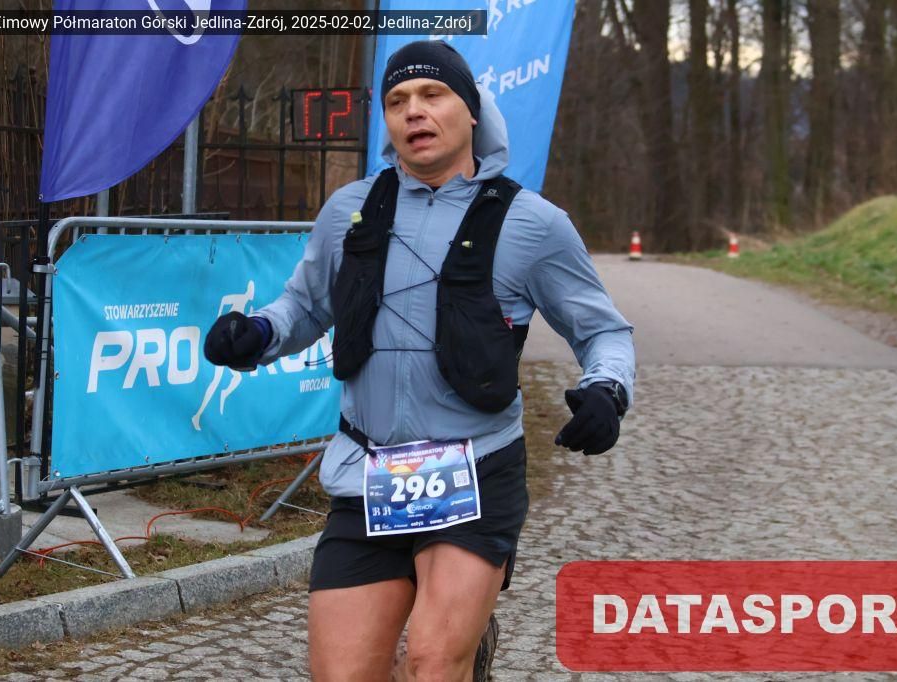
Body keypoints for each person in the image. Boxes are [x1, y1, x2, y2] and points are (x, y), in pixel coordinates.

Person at [203, 41, 634, 682]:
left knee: (432, 664)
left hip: (475, 469)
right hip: (369, 473)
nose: (414, 111)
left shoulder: (532, 223)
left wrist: (606, 390)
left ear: (472, 111)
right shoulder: (349, 210)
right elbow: (306, 305)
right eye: (397, 100)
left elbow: (605, 332)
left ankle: (461, 650)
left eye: (433, 95)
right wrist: (258, 333)